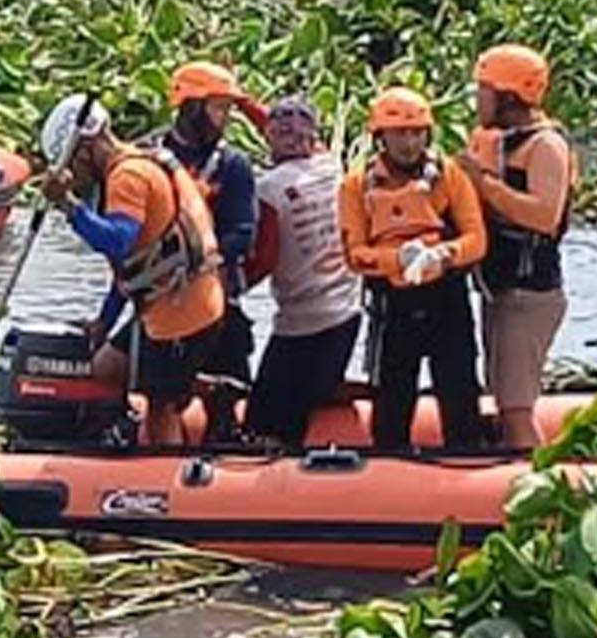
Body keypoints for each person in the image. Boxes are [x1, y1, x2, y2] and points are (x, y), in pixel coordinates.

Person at [37, 94, 225, 447]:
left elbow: (118, 241)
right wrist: (103, 324)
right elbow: (131, 272)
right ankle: (205, 388)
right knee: (106, 366)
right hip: (172, 297)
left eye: (73, 165)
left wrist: (68, 205)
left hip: (182, 313)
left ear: (86, 148)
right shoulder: (139, 162)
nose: (74, 176)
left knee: (160, 408)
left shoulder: (128, 177)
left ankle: (166, 479)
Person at [337, 87, 488, 451]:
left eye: (417, 133)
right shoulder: (356, 186)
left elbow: (476, 238)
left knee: (459, 390)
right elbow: (355, 253)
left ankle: (465, 459)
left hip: (446, 300)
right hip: (393, 307)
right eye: (400, 134)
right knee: (391, 396)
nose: (409, 143)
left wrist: (442, 255)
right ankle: (389, 469)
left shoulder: (448, 177)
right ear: (381, 138)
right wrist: (396, 260)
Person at [460, 44, 579, 450]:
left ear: (508, 95)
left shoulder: (545, 145)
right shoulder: (503, 140)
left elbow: (545, 216)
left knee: (515, 407)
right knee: (503, 393)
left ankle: (531, 478)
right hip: (501, 288)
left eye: (484, 90)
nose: (478, 100)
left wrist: (484, 184)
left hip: (530, 292)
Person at [240, 96, 362, 448]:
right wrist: (242, 102)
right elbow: (289, 130)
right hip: (346, 315)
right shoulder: (330, 165)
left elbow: (262, 261)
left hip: (303, 326)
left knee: (264, 424)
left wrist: (221, 287)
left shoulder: (269, 190)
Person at [155, 61, 265, 441]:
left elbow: (243, 235)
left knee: (228, 396)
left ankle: (222, 423)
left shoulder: (232, 166)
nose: (225, 118)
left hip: (215, 300)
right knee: (159, 396)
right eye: (218, 108)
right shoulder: (150, 161)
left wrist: (191, 259)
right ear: (191, 107)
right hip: (159, 302)